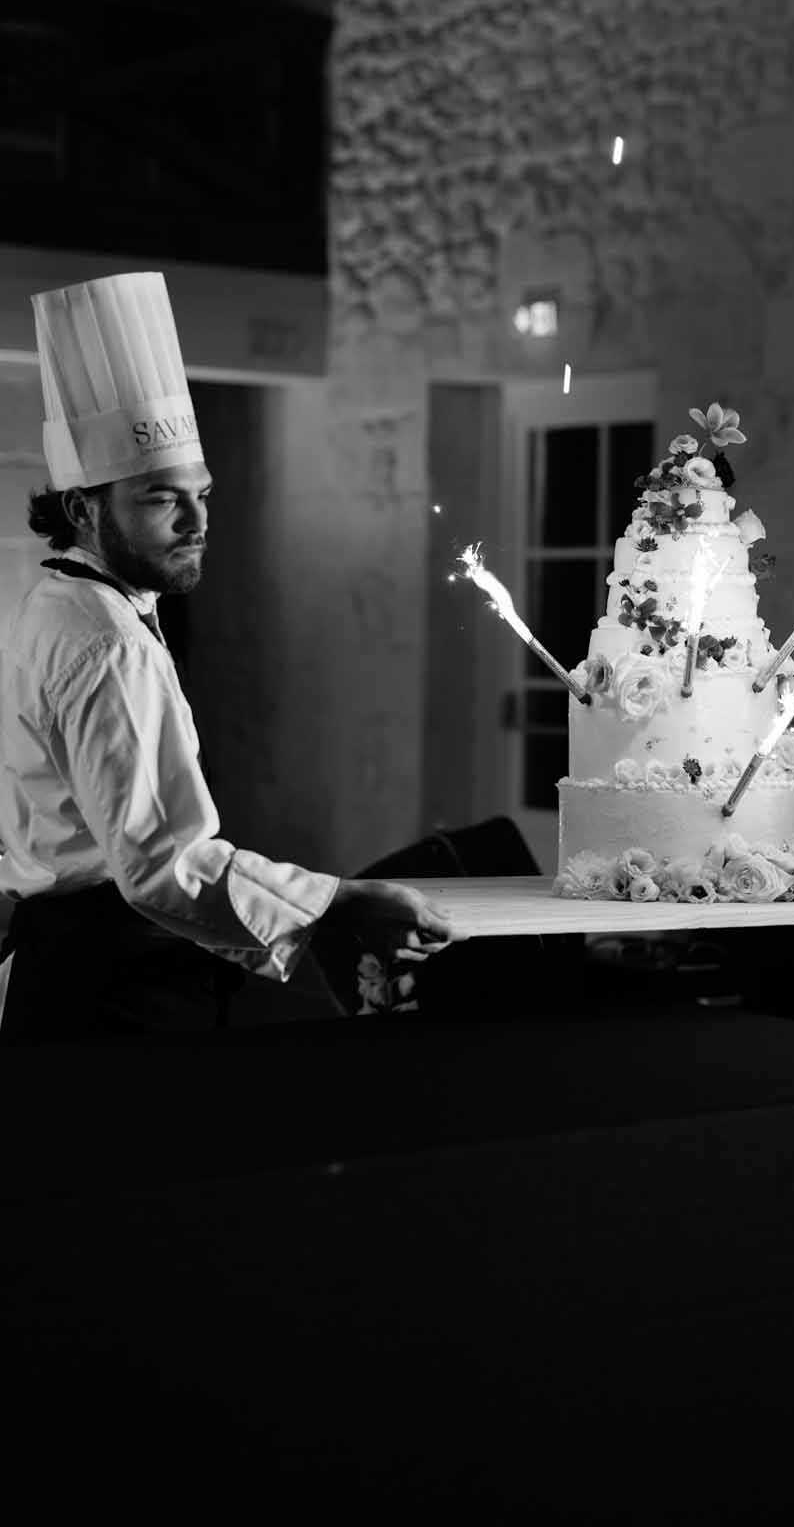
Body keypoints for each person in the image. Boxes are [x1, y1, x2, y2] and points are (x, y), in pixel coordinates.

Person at [0, 271, 462, 1045]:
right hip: (115, 993)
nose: (195, 520)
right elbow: (163, 868)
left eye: (202, 494)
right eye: (159, 498)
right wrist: (341, 900)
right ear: (83, 508)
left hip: (72, 972)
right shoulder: (109, 643)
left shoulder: (56, 604)